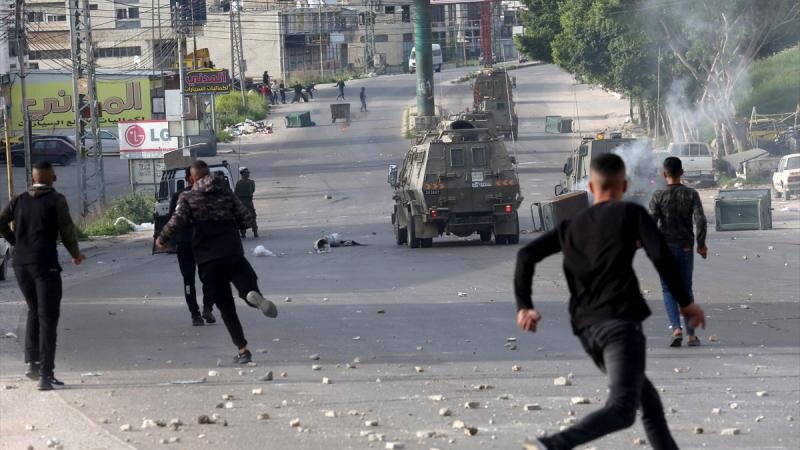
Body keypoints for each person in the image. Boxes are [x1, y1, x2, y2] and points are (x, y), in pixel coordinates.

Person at [514, 154, 706, 450]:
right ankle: (551, 445)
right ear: (624, 185)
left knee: (649, 403)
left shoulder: (572, 225)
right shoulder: (631, 214)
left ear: (591, 185)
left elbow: (526, 255)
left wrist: (524, 305)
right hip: (619, 325)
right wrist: (685, 302)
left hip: (586, 330)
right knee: (622, 409)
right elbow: (660, 255)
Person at [155, 161, 277, 365]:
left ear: (192, 178)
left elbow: (176, 221)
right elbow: (246, 219)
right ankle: (251, 296)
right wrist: (232, 223)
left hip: (208, 260)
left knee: (227, 308)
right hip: (232, 252)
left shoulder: (188, 197)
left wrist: (161, 238)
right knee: (247, 286)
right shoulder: (226, 193)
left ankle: (243, 350)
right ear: (210, 174)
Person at [0, 162, 86, 390]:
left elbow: (1, 222)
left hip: (20, 263)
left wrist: (15, 241)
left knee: (33, 310)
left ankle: (32, 364)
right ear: (52, 178)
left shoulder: (19, 199)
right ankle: (46, 376)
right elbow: (66, 229)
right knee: (48, 316)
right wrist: (75, 254)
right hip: (45, 263)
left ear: (32, 179)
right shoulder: (56, 199)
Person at [650, 156, 708, 347]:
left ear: (664, 173)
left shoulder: (658, 196)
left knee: (668, 289)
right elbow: (700, 220)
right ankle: (691, 335)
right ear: (682, 172)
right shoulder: (691, 194)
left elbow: (651, 222)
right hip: (685, 247)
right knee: (685, 289)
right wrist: (701, 244)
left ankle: (676, 329)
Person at [169, 171, 216, 326]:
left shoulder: (178, 195)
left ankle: (197, 314)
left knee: (189, 280)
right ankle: (205, 309)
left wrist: (173, 242)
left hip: (186, 243)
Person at [235, 167, 258, 238]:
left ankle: (243, 233)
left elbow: (236, 192)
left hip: (241, 202)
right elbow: (253, 190)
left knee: (242, 217)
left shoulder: (238, 183)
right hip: (249, 202)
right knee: (252, 216)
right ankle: (255, 232)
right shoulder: (251, 182)